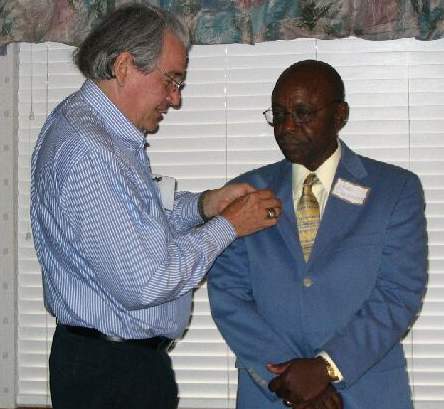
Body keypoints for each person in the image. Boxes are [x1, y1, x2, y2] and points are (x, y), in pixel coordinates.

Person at [30, 4, 282, 409]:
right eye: (171, 80)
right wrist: (230, 225)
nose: (175, 99)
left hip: (115, 369)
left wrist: (204, 206)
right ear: (126, 65)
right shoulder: (88, 148)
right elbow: (145, 281)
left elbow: (134, 220)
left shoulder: (98, 134)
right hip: (111, 378)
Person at [208, 59, 428, 409]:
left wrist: (327, 368)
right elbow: (228, 295)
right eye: (279, 115)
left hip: (367, 393)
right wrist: (291, 380)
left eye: (302, 112)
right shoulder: (244, 193)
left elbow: (399, 292)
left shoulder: (394, 190)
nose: (287, 127)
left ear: (340, 115)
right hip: (271, 394)